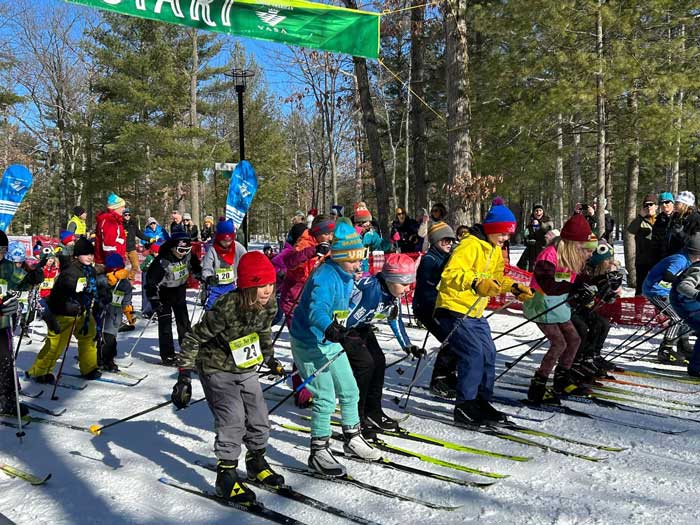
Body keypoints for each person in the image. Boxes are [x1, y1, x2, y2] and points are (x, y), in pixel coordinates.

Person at [172, 251, 286, 503]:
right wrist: (184, 376)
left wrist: (270, 358)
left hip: (245, 366)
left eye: (270, 284)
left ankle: (256, 461)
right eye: (260, 285)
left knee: (259, 415)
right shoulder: (227, 307)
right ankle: (226, 475)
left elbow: (263, 332)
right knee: (233, 418)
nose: (267, 291)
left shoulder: (270, 305)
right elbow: (194, 337)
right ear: (246, 286)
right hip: (216, 366)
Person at [290, 219, 381, 477]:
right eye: (353, 260)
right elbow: (315, 310)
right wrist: (330, 328)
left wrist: (347, 329)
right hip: (309, 342)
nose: (358, 265)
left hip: (331, 339)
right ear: (340, 257)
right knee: (325, 397)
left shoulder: (346, 275)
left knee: (350, 389)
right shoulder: (325, 276)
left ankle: (352, 437)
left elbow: (343, 307)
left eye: (360, 259)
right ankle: (318, 450)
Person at [435, 201, 534, 425]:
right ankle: (464, 406)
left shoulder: (494, 249)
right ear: (492, 228)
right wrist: (476, 282)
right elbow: (449, 274)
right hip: (454, 308)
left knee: (489, 353)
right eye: (503, 233)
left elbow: (497, 277)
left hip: (475, 311)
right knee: (473, 354)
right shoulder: (469, 245)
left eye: (509, 234)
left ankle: (480, 401)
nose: (506, 238)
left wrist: (513, 287)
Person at [343, 253, 424, 436]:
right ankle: (357, 415)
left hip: (361, 326)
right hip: (345, 328)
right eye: (403, 284)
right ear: (389, 279)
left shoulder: (392, 293)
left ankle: (373, 411)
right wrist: (337, 338)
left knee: (379, 361)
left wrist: (407, 346)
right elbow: (347, 317)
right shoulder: (371, 291)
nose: (407, 289)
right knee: (365, 365)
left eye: (409, 283)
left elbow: (395, 319)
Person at [524, 214, 598, 404]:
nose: (586, 253)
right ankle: (538, 385)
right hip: (541, 305)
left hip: (559, 306)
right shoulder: (549, 255)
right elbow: (548, 285)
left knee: (574, 339)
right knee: (559, 344)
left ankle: (562, 379)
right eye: (583, 248)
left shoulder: (572, 257)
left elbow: (579, 280)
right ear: (573, 244)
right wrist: (575, 289)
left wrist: (598, 284)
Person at [27, 238, 101, 382]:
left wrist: (101, 293)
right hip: (64, 312)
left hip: (82, 311)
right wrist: (75, 289)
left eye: (91, 254)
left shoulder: (90, 270)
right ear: (76, 256)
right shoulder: (70, 271)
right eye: (85, 254)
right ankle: (39, 371)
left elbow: (92, 288)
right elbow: (67, 285)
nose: (89, 257)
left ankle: (89, 368)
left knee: (89, 337)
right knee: (56, 345)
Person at [412, 221, 457, 398]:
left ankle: (449, 375)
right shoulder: (429, 260)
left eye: (451, 240)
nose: (449, 244)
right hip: (426, 307)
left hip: (439, 305)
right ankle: (439, 380)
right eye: (445, 240)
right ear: (435, 241)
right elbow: (427, 289)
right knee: (451, 339)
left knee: (458, 338)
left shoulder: (445, 257)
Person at [0, 230, 42, 416]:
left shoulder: (7, 267)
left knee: (6, 361)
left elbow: (21, 281)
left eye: (2, 250)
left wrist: (32, 278)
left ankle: (7, 400)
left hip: (2, 324)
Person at [145, 231, 202, 366]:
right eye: (181, 250)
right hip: (163, 294)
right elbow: (151, 282)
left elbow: (195, 267)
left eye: (187, 249)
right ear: (172, 247)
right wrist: (154, 300)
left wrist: (199, 275)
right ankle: (168, 355)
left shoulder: (188, 256)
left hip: (179, 291)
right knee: (165, 324)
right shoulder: (162, 261)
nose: (183, 253)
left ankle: (187, 350)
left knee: (183, 322)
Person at [569, 242, 623, 382]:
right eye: (607, 261)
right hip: (572, 307)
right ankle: (578, 361)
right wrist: (581, 294)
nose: (609, 263)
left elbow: (594, 291)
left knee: (603, 324)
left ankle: (592, 356)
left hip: (583, 307)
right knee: (585, 327)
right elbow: (576, 286)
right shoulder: (584, 269)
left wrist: (608, 295)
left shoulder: (596, 272)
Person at [643, 234, 698, 364]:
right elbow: (668, 275)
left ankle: (683, 345)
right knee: (676, 318)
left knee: (687, 314)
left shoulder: (687, 259)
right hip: (655, 291)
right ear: (695, 254)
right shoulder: (680, 259)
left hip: (667, 291)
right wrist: (682, 282)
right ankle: (665, 349)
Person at [94, 254, 132, 372]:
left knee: (110, 338)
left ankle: (108, 359)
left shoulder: (124, 283)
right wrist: (109, 280)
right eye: (112, 269)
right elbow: (95, 286)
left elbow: (127, 298)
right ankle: (98, 359)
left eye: (118, 269)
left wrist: (129, 312)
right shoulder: (101, 278)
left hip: (115, 315)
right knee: (99, 337)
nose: (115, 271)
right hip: (100, 313)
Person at [201, 218, 247, 310]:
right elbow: (206, 268)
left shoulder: (238, 247)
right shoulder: (212, 249)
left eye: (229, 240)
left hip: (232, 285)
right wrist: (208, 277)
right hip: (216, 286)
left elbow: (247, 261)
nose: (227, 243)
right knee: (211, 308)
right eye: (224, 240)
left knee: (232, 309)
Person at [627, 194, 657, 295]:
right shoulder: (640, 221)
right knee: (640, 287)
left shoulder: (661, 219)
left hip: (657, 259)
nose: (648, 207)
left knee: (655, 287)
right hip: (642, 260)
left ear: (656, 206)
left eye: (651, 204)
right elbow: (631, 230)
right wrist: (640, 217)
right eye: (646, 205)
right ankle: (638, 308)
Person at [517, 204, 554, 271]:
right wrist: (527, 240)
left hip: (543, 250)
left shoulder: (548, 221)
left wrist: (539, 223)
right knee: (530, 268)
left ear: (543, 212)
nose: (538, 213)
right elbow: (526, 235)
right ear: (533, 212)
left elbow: (547, 229)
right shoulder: (531, 223)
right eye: (536, 211)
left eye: (540, 210)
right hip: (531, 251)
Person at [95, 192, 127, 265]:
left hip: (115, 258)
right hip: (110, 262)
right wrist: (114, 265)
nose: (124, 209)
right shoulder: (110, 220)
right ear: (115, 207)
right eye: (122, 207)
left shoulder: (115, 220)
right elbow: (109, 245)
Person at [666, 191, 700, 257]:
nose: (674, 204)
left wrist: (680, 233)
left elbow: (696, 244)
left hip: (687, 257)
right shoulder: (675, 216)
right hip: (671, 254)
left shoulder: (696, 218)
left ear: (685, 204)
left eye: (677, 203)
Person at [122, 208, 148, 282]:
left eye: (128, 214)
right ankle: (121, 282)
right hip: (123, 249)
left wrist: (149, 239)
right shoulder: (120, 225)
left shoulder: (133, 225)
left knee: (135, 266)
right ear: (123, 215)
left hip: (132, 249)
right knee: (121, 267)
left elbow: (140, 235)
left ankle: (130, 280)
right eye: (125, 214)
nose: (127, 216)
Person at [651, 192, 675, 264]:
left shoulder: (680, 218)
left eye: (667, 202)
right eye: (661, 203)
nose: (664, 205)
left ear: (673, 203)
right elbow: (655, 244)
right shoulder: (658, 221)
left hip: (679, 258)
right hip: (662, 259)